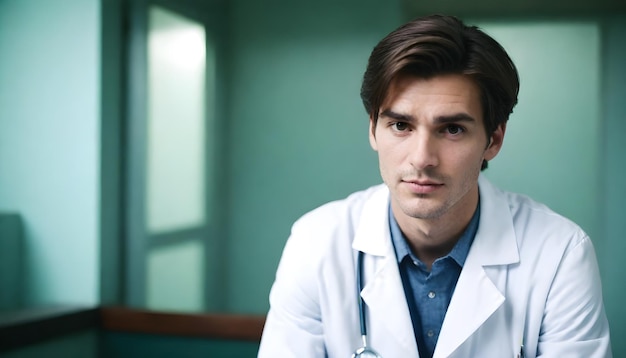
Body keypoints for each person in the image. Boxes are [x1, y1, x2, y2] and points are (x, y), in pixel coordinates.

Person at [257, 15, 612, 358]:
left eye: (452, 129)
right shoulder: (315, 244)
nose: (422, 158)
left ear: (493, 139)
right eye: (400, 125)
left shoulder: (560, 254)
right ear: (372, 130)